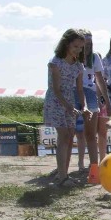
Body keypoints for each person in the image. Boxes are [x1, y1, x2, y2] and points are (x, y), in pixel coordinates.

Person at [44, 28, 88, 187]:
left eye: (81, 47)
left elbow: (80, 89)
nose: (78, 49)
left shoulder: (78, 66)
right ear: (67, 44)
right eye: (75, 46)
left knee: (70, 136)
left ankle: (64, 174)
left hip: (70, 101)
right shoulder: (56, 62)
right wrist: (68, 106)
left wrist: (84, 106)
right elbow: (56, 89)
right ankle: (61, 176)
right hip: (56, 101)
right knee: (63, 135)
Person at [77, 30, 110, 167]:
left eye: (90, 43)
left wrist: (107, 101)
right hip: (74, 92)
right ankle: (77, 163)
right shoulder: (72, 56)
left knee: (91, 133)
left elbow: (100, 80)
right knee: (77, 132)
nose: (87, 46)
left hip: (91, 93)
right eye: (85, 43)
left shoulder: (95, 57)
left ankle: (94, 167)